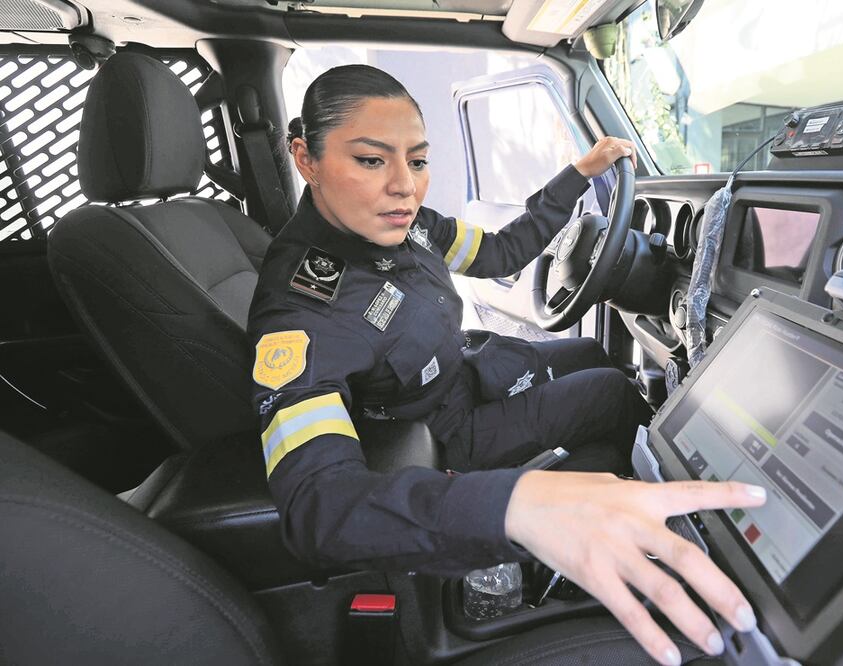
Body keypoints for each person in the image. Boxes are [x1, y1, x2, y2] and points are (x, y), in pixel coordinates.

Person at [249, 64, 767, 665]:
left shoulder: (407, 225)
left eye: (417, 161)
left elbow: (500, 253)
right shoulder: (300, 310)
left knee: (592, 353)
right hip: (444, 436)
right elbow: (320, 507)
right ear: (305, 158)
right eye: (371, 160)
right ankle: (632, 538)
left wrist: (577, 175)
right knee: (612, 391)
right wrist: (513, 504)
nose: (405, 187)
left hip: (469, 372)